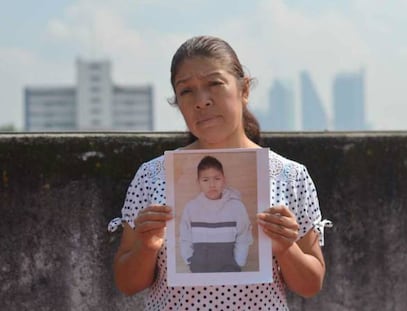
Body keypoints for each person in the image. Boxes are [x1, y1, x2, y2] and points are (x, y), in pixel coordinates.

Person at [111, 35, 331, 311]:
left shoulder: (290, 176)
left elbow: (311, 284)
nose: (201, 101)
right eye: (186, 91)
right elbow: (127, 282)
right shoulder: (153, 176)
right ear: (177, 102)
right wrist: (147, 246)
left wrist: (287, 247)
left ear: (244, 89)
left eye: (214, 83)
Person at [180, 155, 253, 273]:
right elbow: (185, 238)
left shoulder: (237, 207)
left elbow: (243, 236)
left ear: (224, 179)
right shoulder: (190, 208)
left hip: (230, 272)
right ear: (198, 182)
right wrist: (190, 260)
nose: (212, 184)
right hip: (198, 273)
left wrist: (239, 262)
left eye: (217, 178)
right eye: (205, 180)